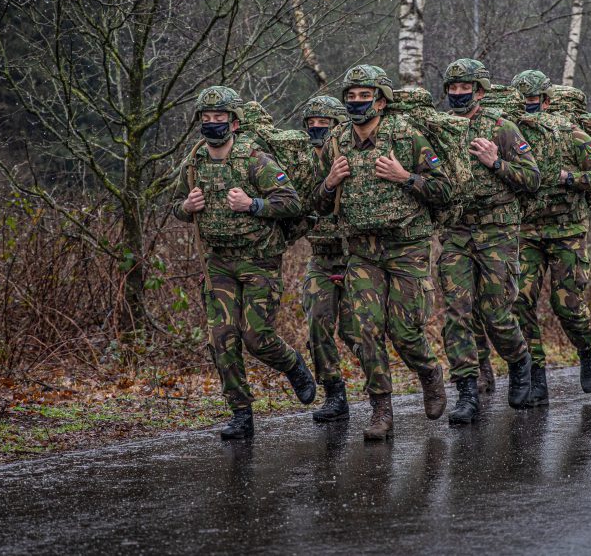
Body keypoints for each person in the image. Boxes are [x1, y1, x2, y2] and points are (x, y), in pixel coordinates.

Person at [312, 64, 449, 441]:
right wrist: (330, 182)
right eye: (351, 96)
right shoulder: (336, 142)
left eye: (365, 95)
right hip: (361, 252)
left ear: (382, 100)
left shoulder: (407, 138)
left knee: (404, 332)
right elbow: (317, 205)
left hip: (407, 248)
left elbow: (444, 190)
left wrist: (405, 177)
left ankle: (429, 373)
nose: (357, 103)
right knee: (366, 330)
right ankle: (381, 409)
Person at [173, 86, 316, 440]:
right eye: (206, 119)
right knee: (222, 337)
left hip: (258, 262)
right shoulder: (194, 162)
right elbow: (176, 205)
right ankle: (240, 413)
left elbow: (292, 202)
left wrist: (253, 205)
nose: (212, 124)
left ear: (234, 123)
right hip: (218, 263)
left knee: (256, 337)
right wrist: (187, 208)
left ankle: (292, 364)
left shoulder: (255, 160)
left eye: (219, 118)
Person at [437, 58, 540, 425]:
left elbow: (532, 178)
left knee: (496, 313)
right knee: (456, 312)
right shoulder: (441, 129)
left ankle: (519, 362)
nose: (459, 93)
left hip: (497, 232)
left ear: (480, 91)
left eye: (466, 88)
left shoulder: (502, 128)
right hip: (456, 233)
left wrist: (496, 163)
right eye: (454, 87)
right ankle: (467, 390)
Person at [510, 70, 591, 404]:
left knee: (566, 303)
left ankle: (587, 350)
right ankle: (536, 373)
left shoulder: (570, 133)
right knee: (519, 300)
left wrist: (571, 177)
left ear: (547, 101)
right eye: (522, 100)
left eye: (534, 100)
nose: (529, 106)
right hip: (527, 231)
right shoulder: (510, 134)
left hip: (567, 231)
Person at [300, 96, 360, 422]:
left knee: (354, 330)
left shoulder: (353, 156)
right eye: (312, 124)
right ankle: (334, 392)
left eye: (324, 123)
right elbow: (299, 202)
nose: (317, 129)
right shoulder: (303, 161)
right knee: (317, 323)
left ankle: (381, 387)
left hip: (355, 256)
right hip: (321, 258)